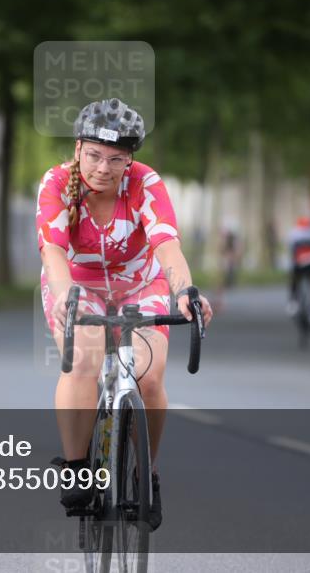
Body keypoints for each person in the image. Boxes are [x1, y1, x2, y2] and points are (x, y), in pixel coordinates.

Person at [36, 98, 213, 530]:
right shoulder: (58, 183)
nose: (103, 167)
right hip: (77, 284)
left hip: (140, 283)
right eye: (94, 155)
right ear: (78, 148)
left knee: (149, 376)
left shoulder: (145, 183)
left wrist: (184, 291)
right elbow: (53, 250)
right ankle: (77, 467)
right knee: (83, 360)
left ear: (130, 159)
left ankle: (146, 473)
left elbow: (167, 245)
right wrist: (64, 295)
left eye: (116, 159)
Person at [286, 215, 310, 328]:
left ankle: (293, 301)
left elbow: (291, 250)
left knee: (294, 279)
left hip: (299, 264)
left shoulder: (293, 233)